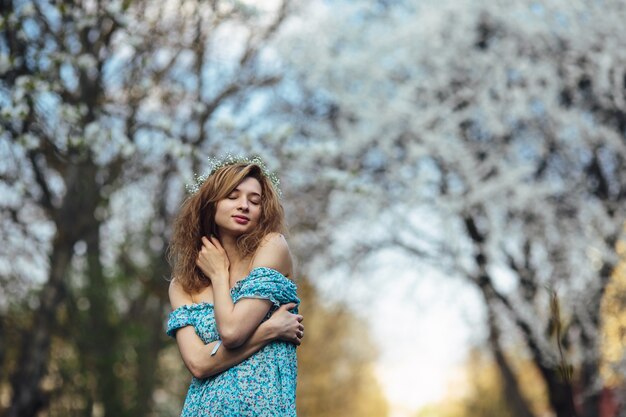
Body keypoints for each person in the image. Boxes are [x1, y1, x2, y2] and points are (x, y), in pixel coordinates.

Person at [166, 156, 303, 416]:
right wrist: (269, 330)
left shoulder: (272, 247)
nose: (244, 206)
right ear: (211, 203)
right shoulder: (182, 285)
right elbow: (197, 364)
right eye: (233, 196)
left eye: (254, 201)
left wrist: (219, 275)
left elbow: (232, 331)